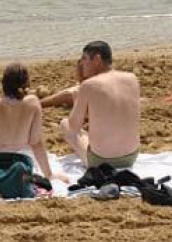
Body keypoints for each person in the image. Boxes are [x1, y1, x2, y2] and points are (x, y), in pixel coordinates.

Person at [0, 63, 57, 180]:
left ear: (4, 83)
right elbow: (36, 143)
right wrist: (49, 175)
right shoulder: (33, 103)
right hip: (23, 162)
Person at [60, 41, 140, 169]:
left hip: (100, 162)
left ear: (97, 59)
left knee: (65, 124)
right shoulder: (132, 78)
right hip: (131, 156)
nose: (82, 63)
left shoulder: (89, 85)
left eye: (85, 59)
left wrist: (78, 93)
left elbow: (74, 127)